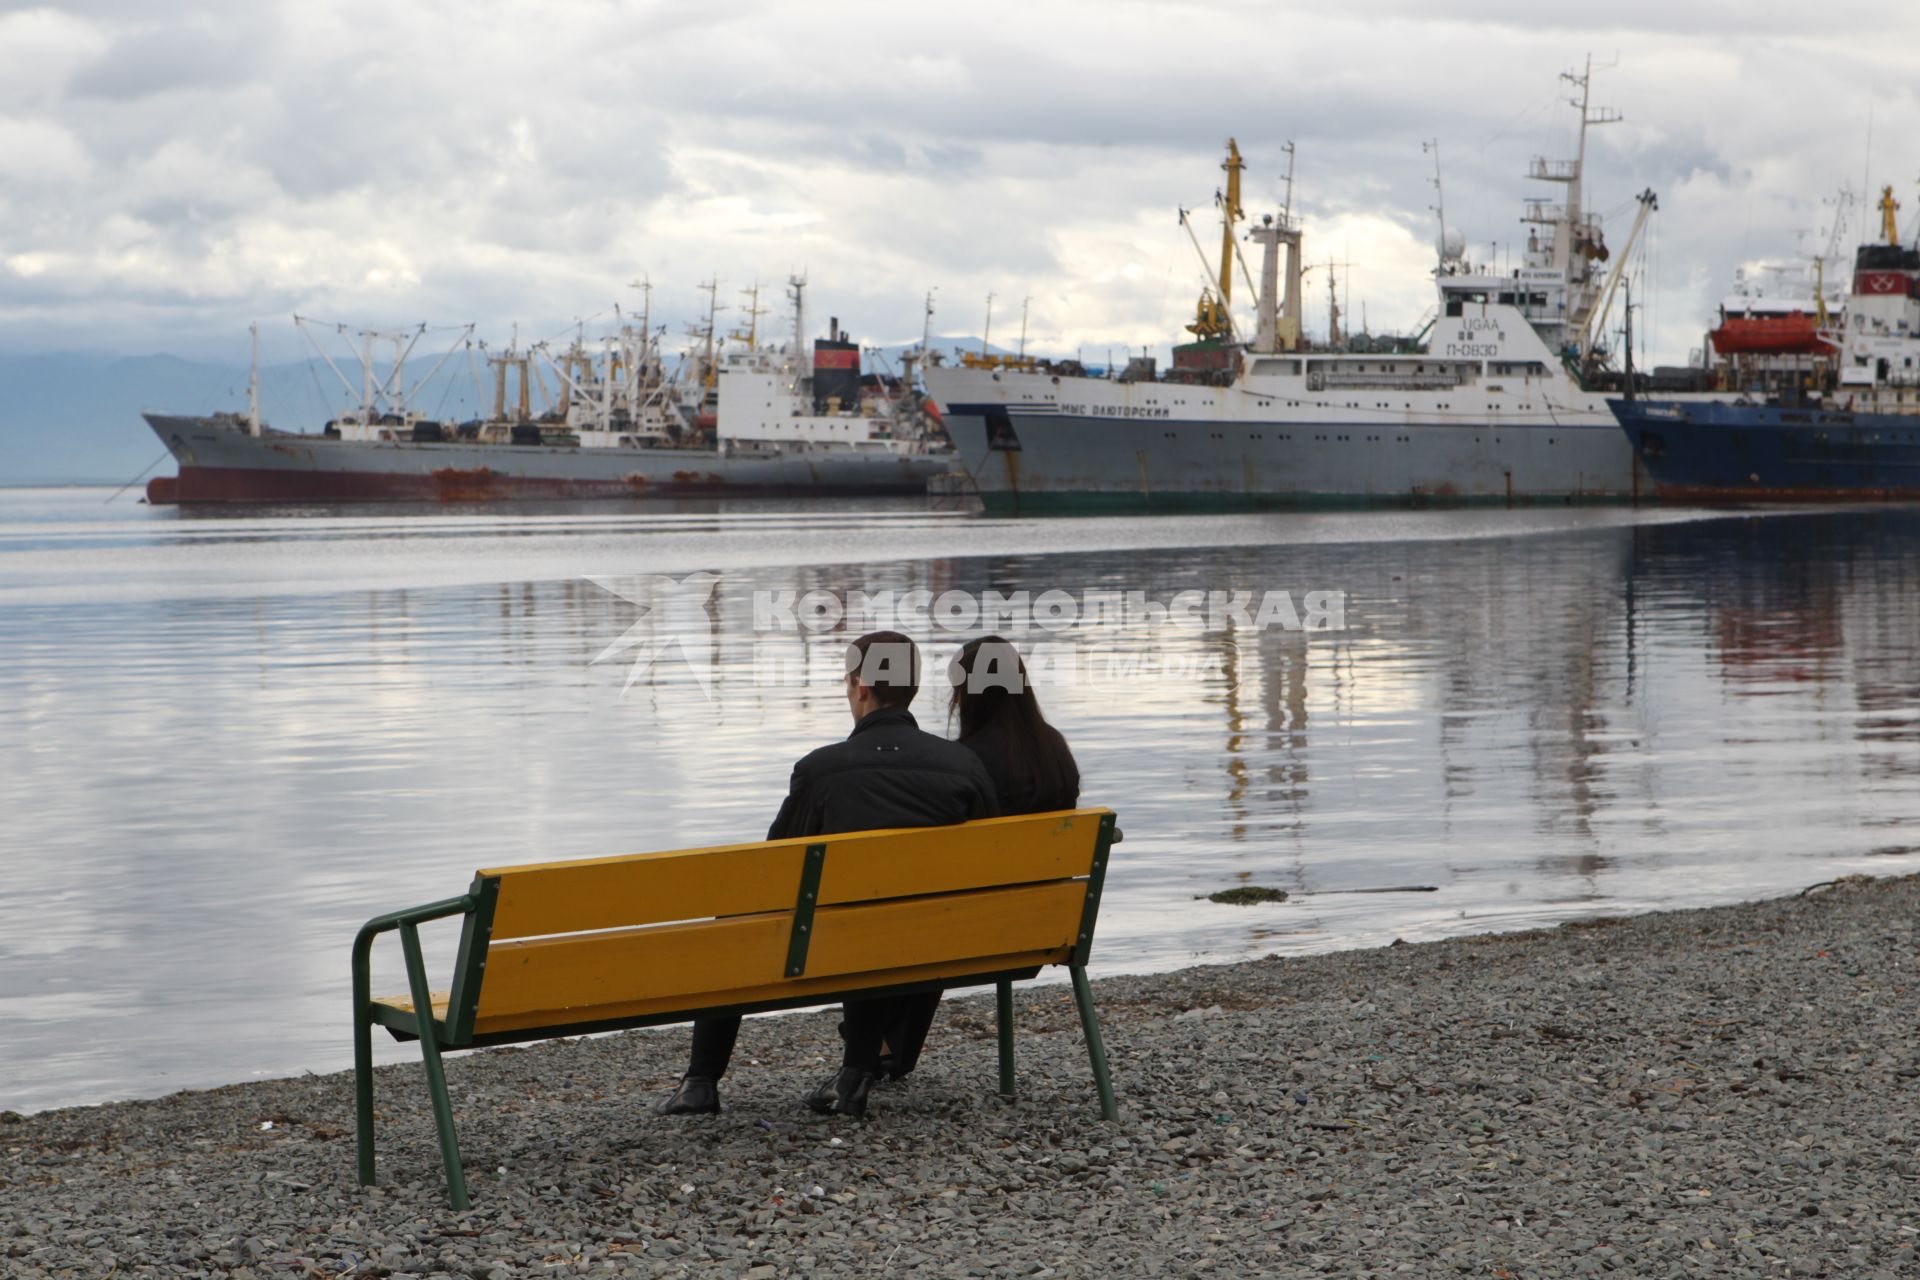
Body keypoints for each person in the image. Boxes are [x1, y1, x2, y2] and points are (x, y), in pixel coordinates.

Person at [654, 630, 998, 1119]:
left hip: (836, 944)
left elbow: (774, 867)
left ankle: (700, 1082)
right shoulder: (962, 764)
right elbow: (989, 858)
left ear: (860, 685)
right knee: (886, 921)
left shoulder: (822, 769)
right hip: (935, 937)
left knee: (736, 920)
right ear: (913, 688)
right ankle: (857, 1071)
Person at [871, 634, 1082, 1080]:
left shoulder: (964, 761)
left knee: (913, 911)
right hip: (1051, 924)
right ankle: (885, 1047)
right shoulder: (1055, 750)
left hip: (979, 933)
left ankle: (879, 1046)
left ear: (965, 693)